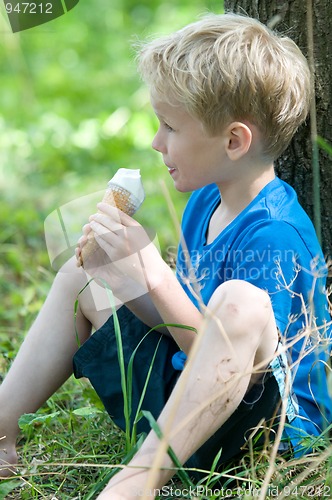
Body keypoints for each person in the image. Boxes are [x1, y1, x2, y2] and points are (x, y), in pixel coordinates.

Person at [1, 12, 331, 499]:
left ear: (235, 141)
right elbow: (187, 336)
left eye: (170, 127)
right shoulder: (205, 201)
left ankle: (136, 482)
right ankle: (1, 428)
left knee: (240, 301)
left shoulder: (275, 235)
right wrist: (121, 274)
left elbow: (231, 369)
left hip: (258, 435)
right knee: (83, 279)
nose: (157, 143)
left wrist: (153, 272)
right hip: (188, 405)